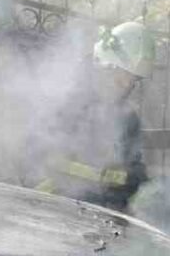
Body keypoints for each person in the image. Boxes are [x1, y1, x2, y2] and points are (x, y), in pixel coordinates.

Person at [35, 19, 154, 212]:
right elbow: (38, 156)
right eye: (123, 75)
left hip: (104, 217)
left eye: (134, 79)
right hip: (55, 211)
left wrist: (130, 177)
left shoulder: (128, 118)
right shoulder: (68, 101)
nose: (128, 84)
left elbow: (136, 173)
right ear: (106, 66)